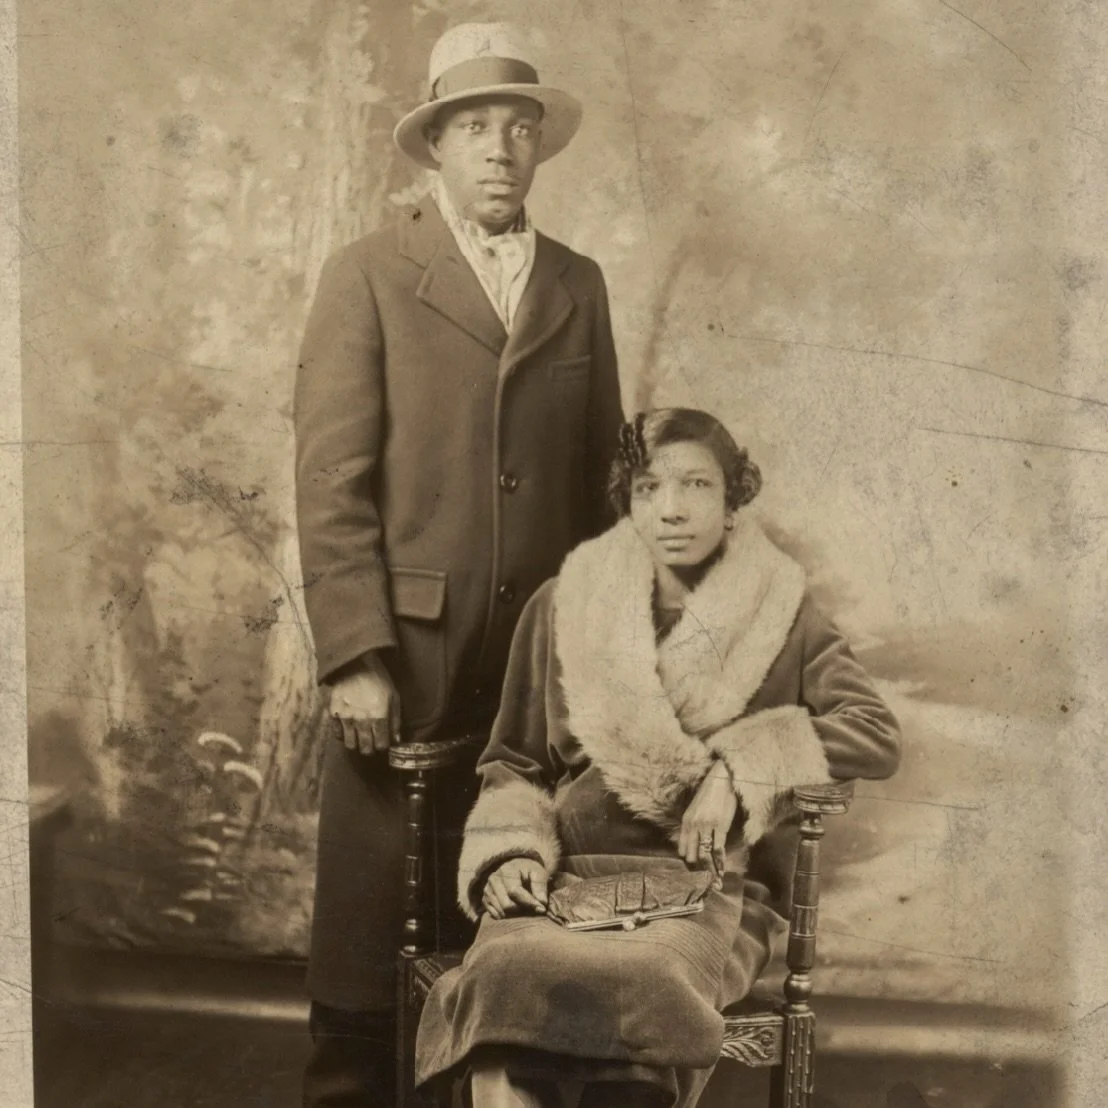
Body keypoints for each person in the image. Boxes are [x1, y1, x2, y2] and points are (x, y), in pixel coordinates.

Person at [293, 22, 623, 1108]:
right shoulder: (370, 275)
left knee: (510, 931)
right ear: (435, 147)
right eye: (474, 127)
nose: (498, 148)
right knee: (368, 944)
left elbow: (597, 491)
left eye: (517, 128)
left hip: (534, 670)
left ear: (539, 148)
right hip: (408, 660)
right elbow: (331, 478)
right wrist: (353, 653)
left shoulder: (578, 283)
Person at [415, 409, 902, 1108]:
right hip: (560, 881)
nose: (671, 509)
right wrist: (509, 854)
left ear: (733, 502)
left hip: (709, 888)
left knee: (648, 986)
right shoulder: (562, 607)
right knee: (503, 974)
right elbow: (514, 763)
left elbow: (873, 731)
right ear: (629, 500)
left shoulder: (785, 615)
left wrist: (739, 769)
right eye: (649, 487)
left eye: (697, 485)